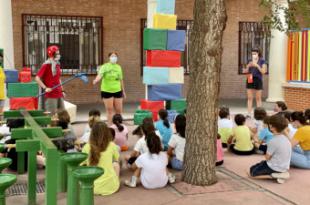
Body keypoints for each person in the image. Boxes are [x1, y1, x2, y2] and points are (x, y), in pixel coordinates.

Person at [249, 114, 291, 184]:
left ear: (271, 127)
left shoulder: (273, 141)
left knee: (252, 172)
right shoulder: (286, 139)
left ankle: (275, 175)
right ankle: (282, 173)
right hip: (284, 166)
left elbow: (267, 158)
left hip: (274, 167)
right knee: (260, 164)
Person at [82, 121, 120, 195]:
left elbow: (82, 164)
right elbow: (117, 159)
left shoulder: (86, 147)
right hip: (111, 187)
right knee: (116, 164)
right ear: (107, 132)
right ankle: (115, 180)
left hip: (91, 187)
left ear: (92, 133)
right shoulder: (112, 145)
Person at [93, 52, 126, 124]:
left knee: (119, 111)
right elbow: (100, 75)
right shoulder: (105, 66)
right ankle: (110, 126)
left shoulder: (118, 67)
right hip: (107, 91)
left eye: (115, 56)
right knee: (110, 110)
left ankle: (119, 126)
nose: (114, 58)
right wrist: (96, 80)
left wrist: (123, 91)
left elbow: (121, 79)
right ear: (109, 57)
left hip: (117, 90)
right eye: (112, 56)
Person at [35, 45, 65, 115]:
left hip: (59, 92)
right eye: (57, 53)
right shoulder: (46, 65)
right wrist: (45, 88)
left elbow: (58, 79)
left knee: (63, 114)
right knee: (51, 116)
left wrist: (62, 90)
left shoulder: (57, 64)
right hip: (50, 95)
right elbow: (37, 78)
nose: (59, 55)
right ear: (52, 54)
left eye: (59, 53)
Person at [243, 48, 267, 116]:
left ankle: (259, 114)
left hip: (258, 78)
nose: (253, 55)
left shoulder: (262, 61)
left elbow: (263, 72)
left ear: (258, 53)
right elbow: (244, 71)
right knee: (250, 97)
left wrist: (257, 66)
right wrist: (248, 66)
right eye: (252, 54)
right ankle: (249, 114)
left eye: (255, 54)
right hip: (249, 77)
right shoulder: (249, 60)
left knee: (258, 98)